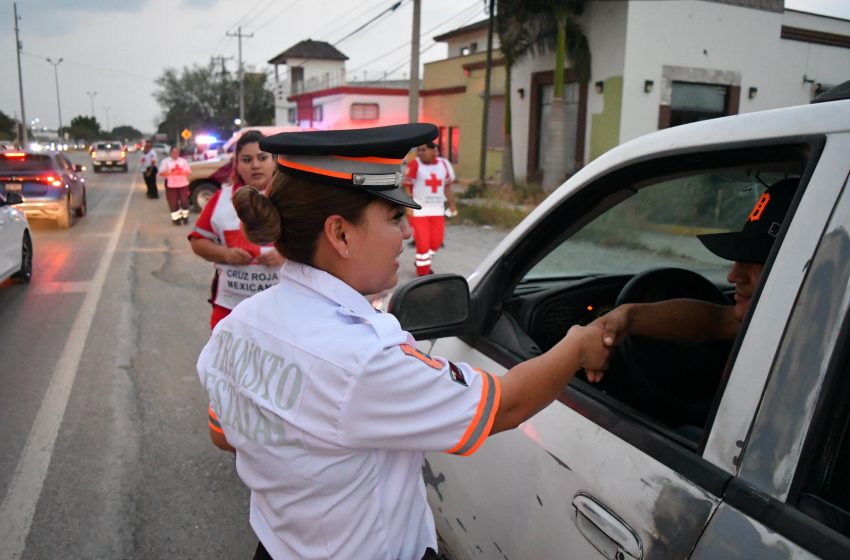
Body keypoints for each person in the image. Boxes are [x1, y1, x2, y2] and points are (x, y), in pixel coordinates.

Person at [195, 123, 611, 560]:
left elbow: (224, 434)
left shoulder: (238, 325)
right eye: (395, 217)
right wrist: (578, 346)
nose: (409, 234)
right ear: (340, 234)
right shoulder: (362, 360)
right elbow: (505, 407)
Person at [588, 177, 798, 373]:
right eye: (739, 259)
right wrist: (628, 316)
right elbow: (716, 321)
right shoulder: (777, 320)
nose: (733, 276)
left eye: (759, 262)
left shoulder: (809, 351)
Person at [188, 130, 285, 452]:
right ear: (237, 165)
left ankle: (275, 437)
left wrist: (285, 254)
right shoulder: (221, 200)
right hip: (229, 310)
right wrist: (225, 254)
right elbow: (198, 241)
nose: (255, 165)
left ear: (274, 161)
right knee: (230, 377)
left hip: (283, 314)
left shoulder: (290, 198)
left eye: (262, 157)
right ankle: (233, 437)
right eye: (247, 159)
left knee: (277, 379)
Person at [403, 141, 457, 276]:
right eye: (418, 150)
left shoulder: (443, 165)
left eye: (424, 150)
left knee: (436, 242)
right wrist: (408, 206)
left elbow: (447, 188)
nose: (420, 153)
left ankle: (423, 260)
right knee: (423, 243)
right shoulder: (415, 164)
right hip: (418, 211)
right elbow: (407, 186)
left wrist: (452, 204)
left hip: (437, 211)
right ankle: (423, 272)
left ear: (434, 151)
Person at [158, 146, 192, 225]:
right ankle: (176, 219)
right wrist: (171, 173)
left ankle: (185, 217)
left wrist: (180, 172)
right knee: (173, 203)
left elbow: (188, 171)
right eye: (173, 152)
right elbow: (161, 173)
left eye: (177, 152)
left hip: (183, 184)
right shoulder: (165, 161)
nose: (175, 154)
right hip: (171, 185)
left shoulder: (183, 161)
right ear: (170, 153)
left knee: (184, 202)